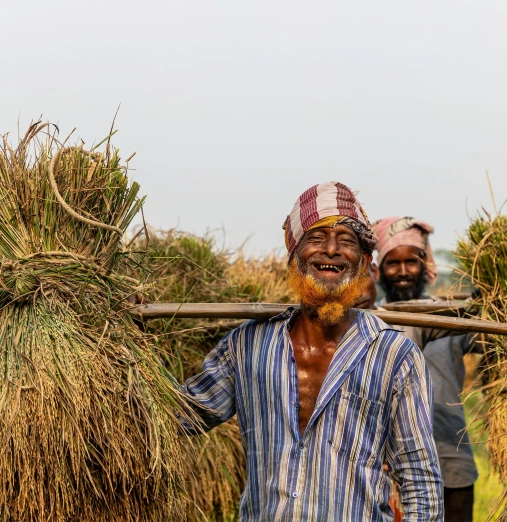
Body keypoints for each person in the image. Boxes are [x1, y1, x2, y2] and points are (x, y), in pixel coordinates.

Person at [183, 183, 444, 521]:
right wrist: (127, 339)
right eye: (317, 238)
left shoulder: (395, 355)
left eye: (347, 241)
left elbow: (420, 480)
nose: (332, 250)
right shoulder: (246, 347)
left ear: (365, 263)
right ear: (294, 255)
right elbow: (180, 414)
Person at [372, 217, 479, 522]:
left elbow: (490, 341)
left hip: (449, 442)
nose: (403, 271)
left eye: (412, 261)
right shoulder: (371, 318)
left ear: (424, 264)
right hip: (387, 454)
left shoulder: (450, 317)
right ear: (380, 269)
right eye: (394, 263)